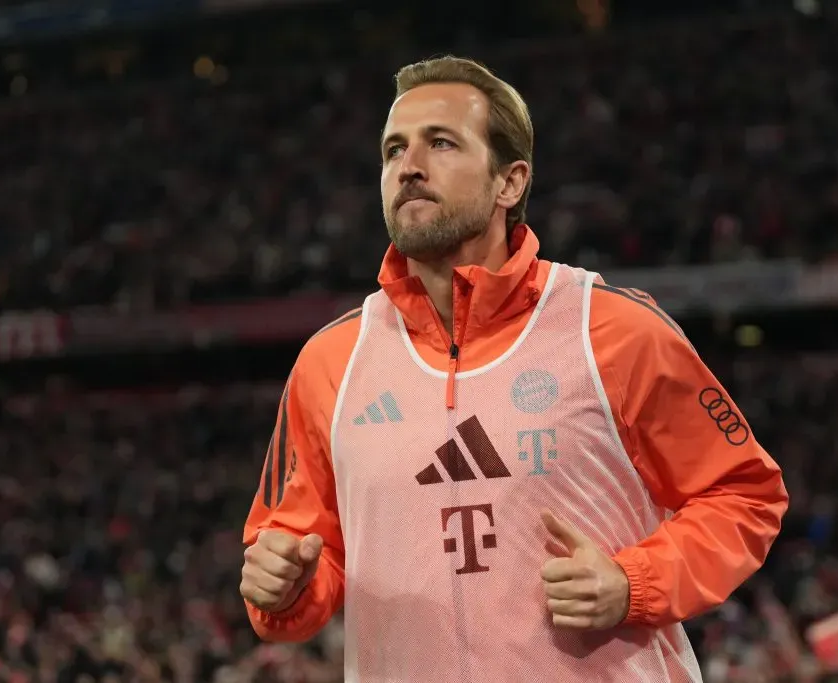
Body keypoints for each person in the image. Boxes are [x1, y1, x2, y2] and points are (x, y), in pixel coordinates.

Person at [239, 55, 788, 682]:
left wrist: (632, 582)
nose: (408, 166)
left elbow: (745, 494)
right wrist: (280, 584)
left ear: (511, 182)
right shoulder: (329, 363)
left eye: (440, 143)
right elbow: (301, 557)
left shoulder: (613, 331)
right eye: (393, 151)